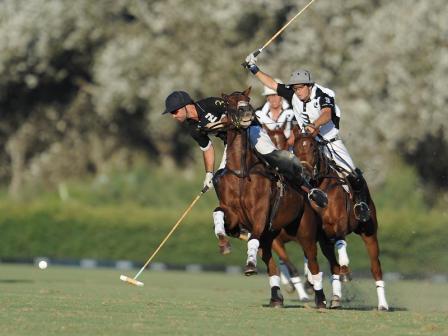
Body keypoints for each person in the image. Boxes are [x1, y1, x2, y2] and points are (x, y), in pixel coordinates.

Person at [244, 53, 371, 222]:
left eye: (301, 88)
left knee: (353, 175)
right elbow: (272, 84)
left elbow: (327, 113)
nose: (298, 91)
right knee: (285, 168)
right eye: (295, 89)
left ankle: (360, 204)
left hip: (329, 142)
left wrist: (315, 125)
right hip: (306, 143)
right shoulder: (294, 94)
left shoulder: (323, 94)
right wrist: (254, 69)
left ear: (309, 85)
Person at [163, 91, 233, 253]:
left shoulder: (210, 103)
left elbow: (232, 111)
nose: (173, 116)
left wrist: (221, 122)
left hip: (251, 134)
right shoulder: (193, 128)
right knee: (220, 179)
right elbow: (207, 148)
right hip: (231, 145)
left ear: (186, 106)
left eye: (174, 111)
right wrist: (209, 173)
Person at [256, 79, 295, 151]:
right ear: (267, 98)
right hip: (265, 153)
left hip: (290, 150)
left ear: (281, 96)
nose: (273, 99)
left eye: (275, 95)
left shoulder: (293, 112)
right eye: (269, 96)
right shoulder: (258, 115)